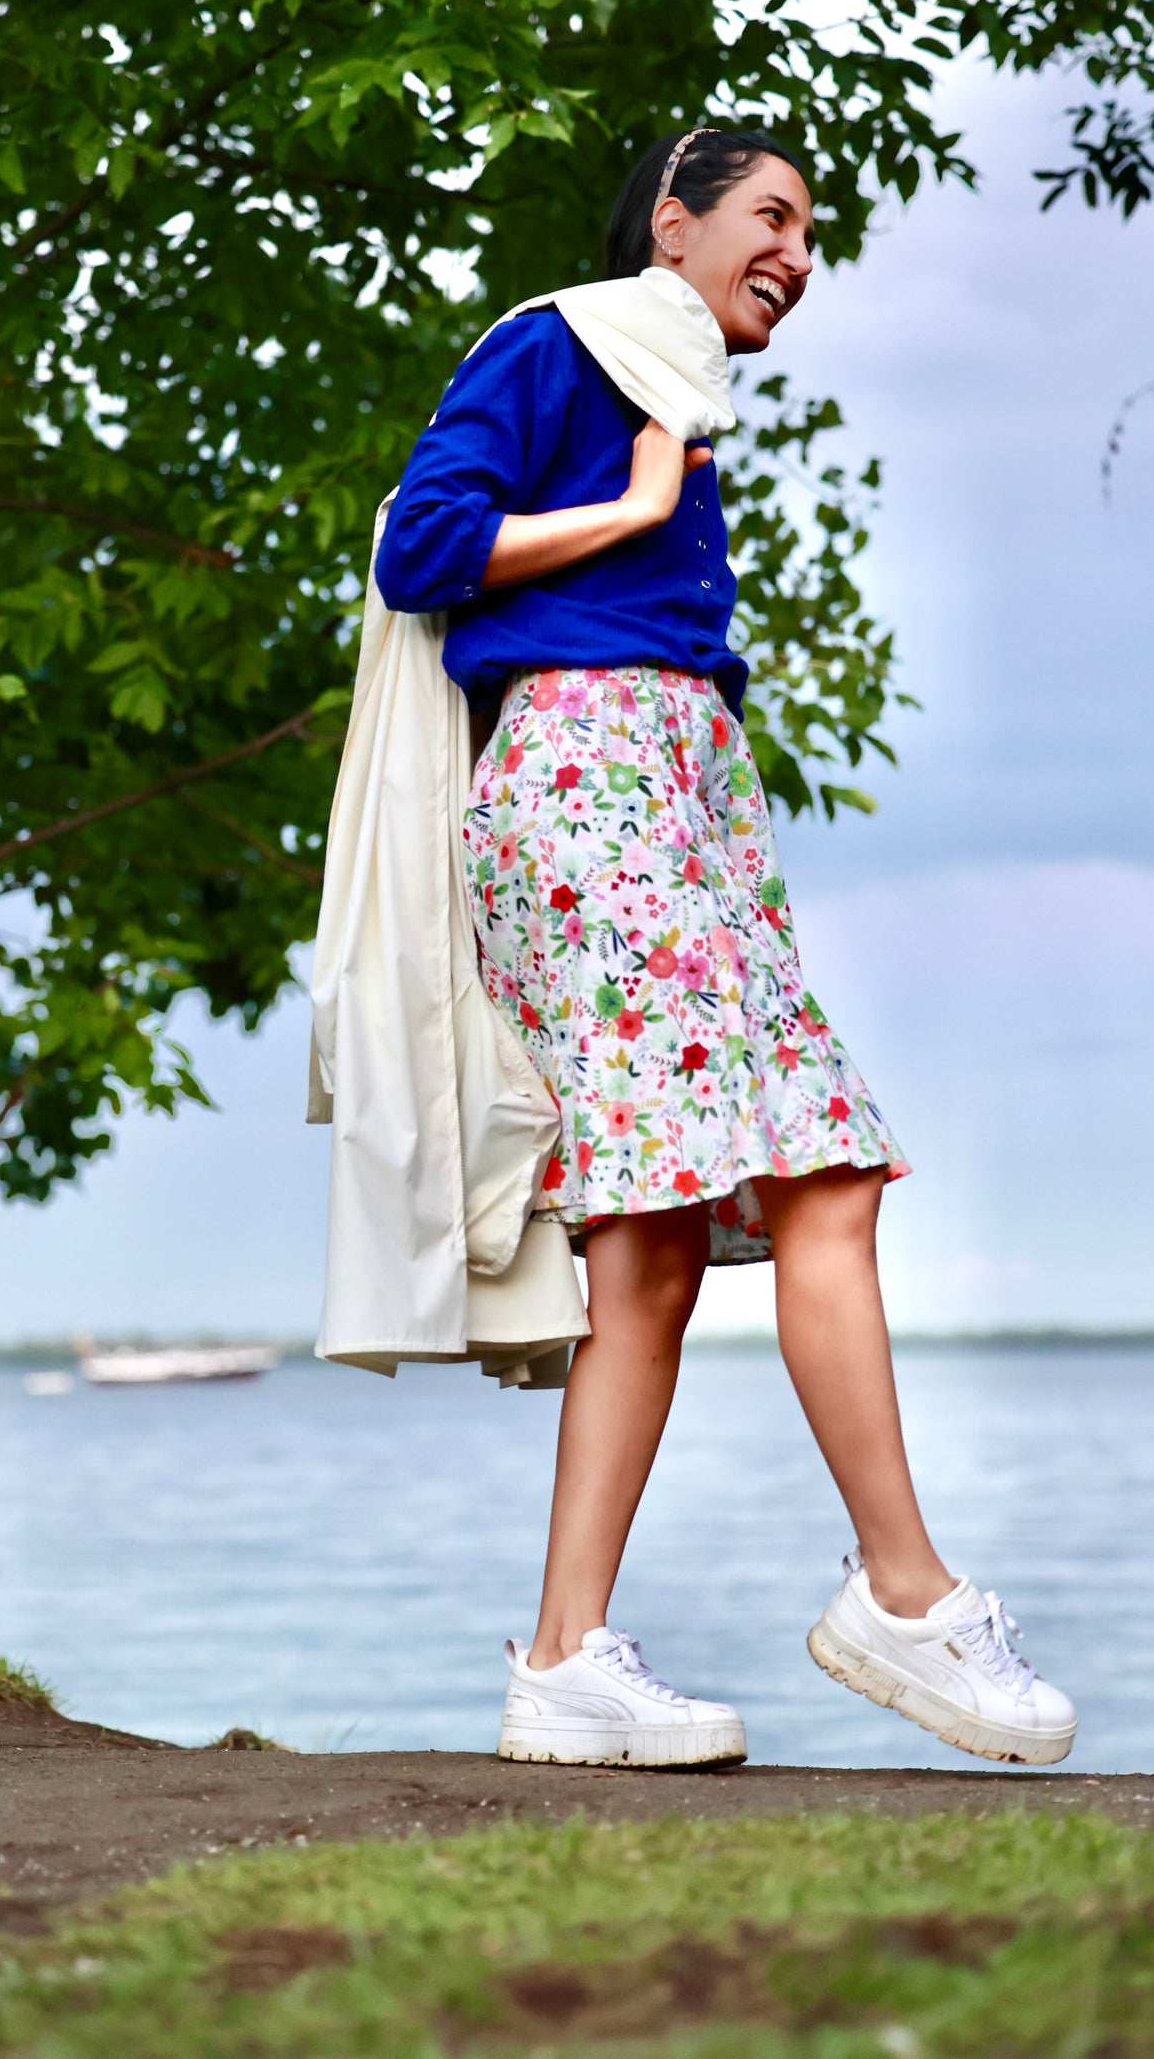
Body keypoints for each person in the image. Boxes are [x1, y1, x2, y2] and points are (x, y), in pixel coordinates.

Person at [373, 126, 1077, 1770]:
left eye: (809, 231)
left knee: (658, 1239)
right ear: (671, 227)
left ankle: (564, 1660)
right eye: (769, 216)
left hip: (677, 790)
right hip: (586, 777)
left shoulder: (676, 383)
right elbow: (421, 545)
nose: (796, 253)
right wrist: (624, 503)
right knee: (821, 1169)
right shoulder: (559, 340)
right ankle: (903, 1596)